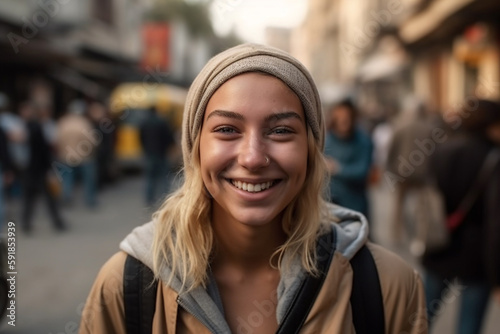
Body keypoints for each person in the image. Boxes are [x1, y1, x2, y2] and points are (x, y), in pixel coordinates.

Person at [80, 43, 426, 333]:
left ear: (311, 149)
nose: (253, 158)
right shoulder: (127, 286)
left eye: (280, 131)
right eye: (227, 129)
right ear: (195, 147)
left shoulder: (386, 287)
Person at [422, 99, 500, 334]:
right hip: (477, 256)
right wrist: (497, 275)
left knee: (420, 318)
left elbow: (428, 197)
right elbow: (496, 222)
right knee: (468, 325)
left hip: (440, 243)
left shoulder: (443, 149)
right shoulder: (493, 158)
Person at [21, 101, 66, 233]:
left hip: (37, 169)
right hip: (33, 170)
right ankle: (28, 223)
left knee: (40, 198)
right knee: (34, 198)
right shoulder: (28, 127)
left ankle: (28, 224)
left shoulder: (33, 127)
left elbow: (43, 151)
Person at [324, 99, 373, 218]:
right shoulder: (328, 140)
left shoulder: (363, 141)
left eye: (346, 118)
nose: (342, 120)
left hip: (355, 205)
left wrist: (338, 169)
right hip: (331, 206)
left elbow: (363, 171)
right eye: (339, 117)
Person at [55, 99, 98, 208]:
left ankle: (67, 199)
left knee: (67, 180)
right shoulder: (84, 123)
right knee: (88, 180)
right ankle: (90, 200)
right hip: (84, 157)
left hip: (65, 156)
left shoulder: (63, 122)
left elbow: (56, 139)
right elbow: (91, 140)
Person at [139, 106, 175, 206]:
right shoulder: (162, 122)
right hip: (161, 153)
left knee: (150, 178)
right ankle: (166, 199)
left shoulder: (144, 123)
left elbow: (141, 138)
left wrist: (145, 149)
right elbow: (168, 137)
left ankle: (149, 199)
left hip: (149, 153)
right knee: (164, 177)